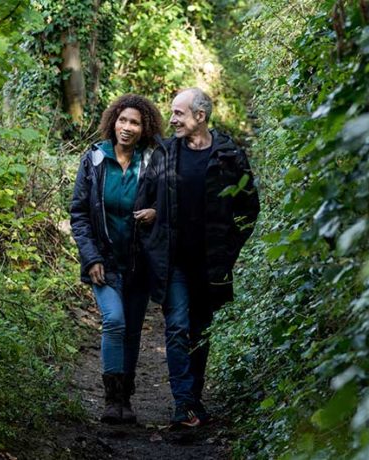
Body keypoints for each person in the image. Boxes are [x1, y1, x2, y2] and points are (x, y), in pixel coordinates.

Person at [140, 87, 260, 427]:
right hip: (173, 261)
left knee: (199, 330)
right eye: (173, 113)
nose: (172, 119)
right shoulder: (165, 152)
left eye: (179, 113)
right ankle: (182, 404)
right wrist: (153, 219)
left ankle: (193, 398)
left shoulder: (229, 156)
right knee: (177, 325)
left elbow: (249, 208)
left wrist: (228, 248)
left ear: (200, 117)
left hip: (210, 265)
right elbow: (145, 198)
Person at [69, 94, 163, 424]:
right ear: (113, 122)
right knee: (114, 321)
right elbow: (79, 214)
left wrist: (156, 212)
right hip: (104, 262)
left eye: (134, 122)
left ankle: (126, 398)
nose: (127, 127)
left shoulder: (153, 160)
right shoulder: (94, 158)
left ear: (144, 127)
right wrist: (91, 257)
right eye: (122, 120)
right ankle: (111, 399)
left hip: (139, 262)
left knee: (133, 331)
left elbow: (169, 204)